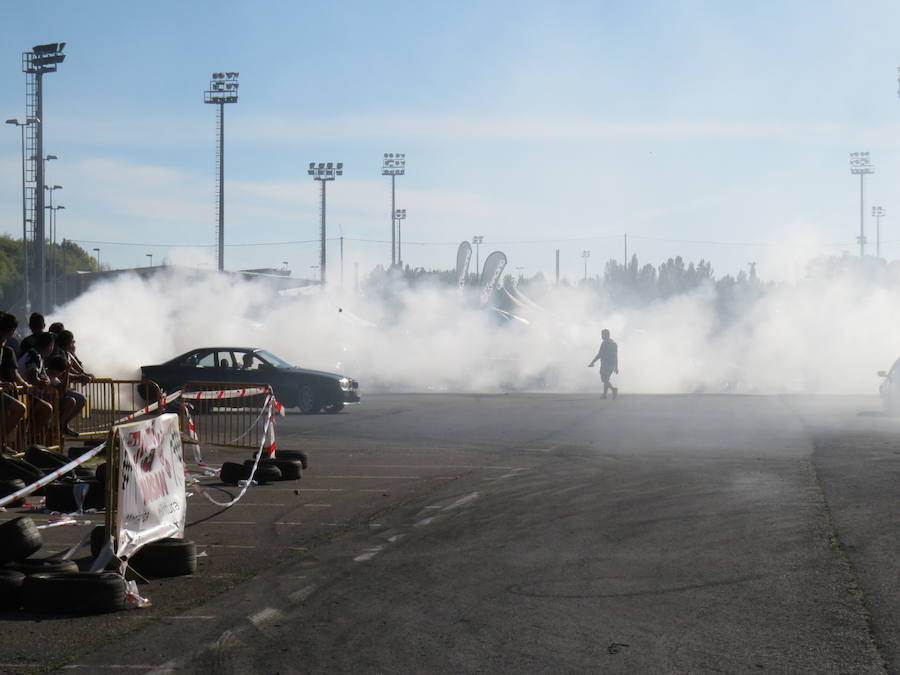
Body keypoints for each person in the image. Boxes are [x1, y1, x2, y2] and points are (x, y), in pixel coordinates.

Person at [0, 313, 26, 451]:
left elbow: (14, 373)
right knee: (19, 408)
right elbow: (13, 373)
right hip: (3, 390)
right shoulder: (8, 349)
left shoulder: (7, 348)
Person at [588, 328, 619, 399]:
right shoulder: (614, 343)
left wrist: (592, 362)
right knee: (606, 379)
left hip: (605, 364)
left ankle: (613, 390)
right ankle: (605, 394)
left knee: (604, 379)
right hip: (611, 364)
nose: (602, 336)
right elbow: (615, 356)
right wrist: (616, 367)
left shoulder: (605, 343)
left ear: (606, 335)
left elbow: (600, 354)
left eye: (603, 335)